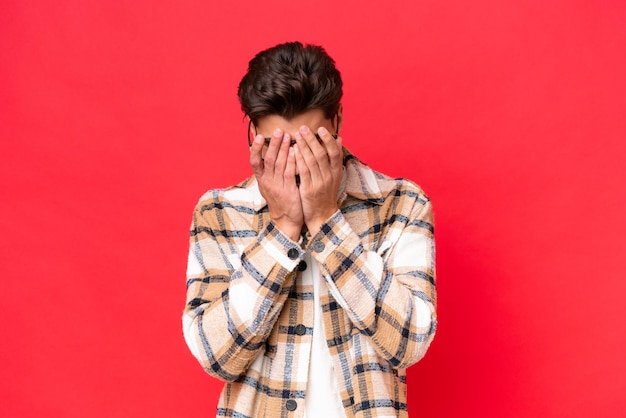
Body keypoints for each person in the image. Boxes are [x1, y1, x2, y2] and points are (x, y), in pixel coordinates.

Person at [182, 41, 437, 418]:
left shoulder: (401, 203)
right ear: (252, 131)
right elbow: (216, 356)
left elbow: (409, 344)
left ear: (337, 122)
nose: (295, 162)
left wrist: (326, 220)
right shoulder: (219, 212)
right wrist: (283, 228)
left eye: (311, 143)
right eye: (275, 147)